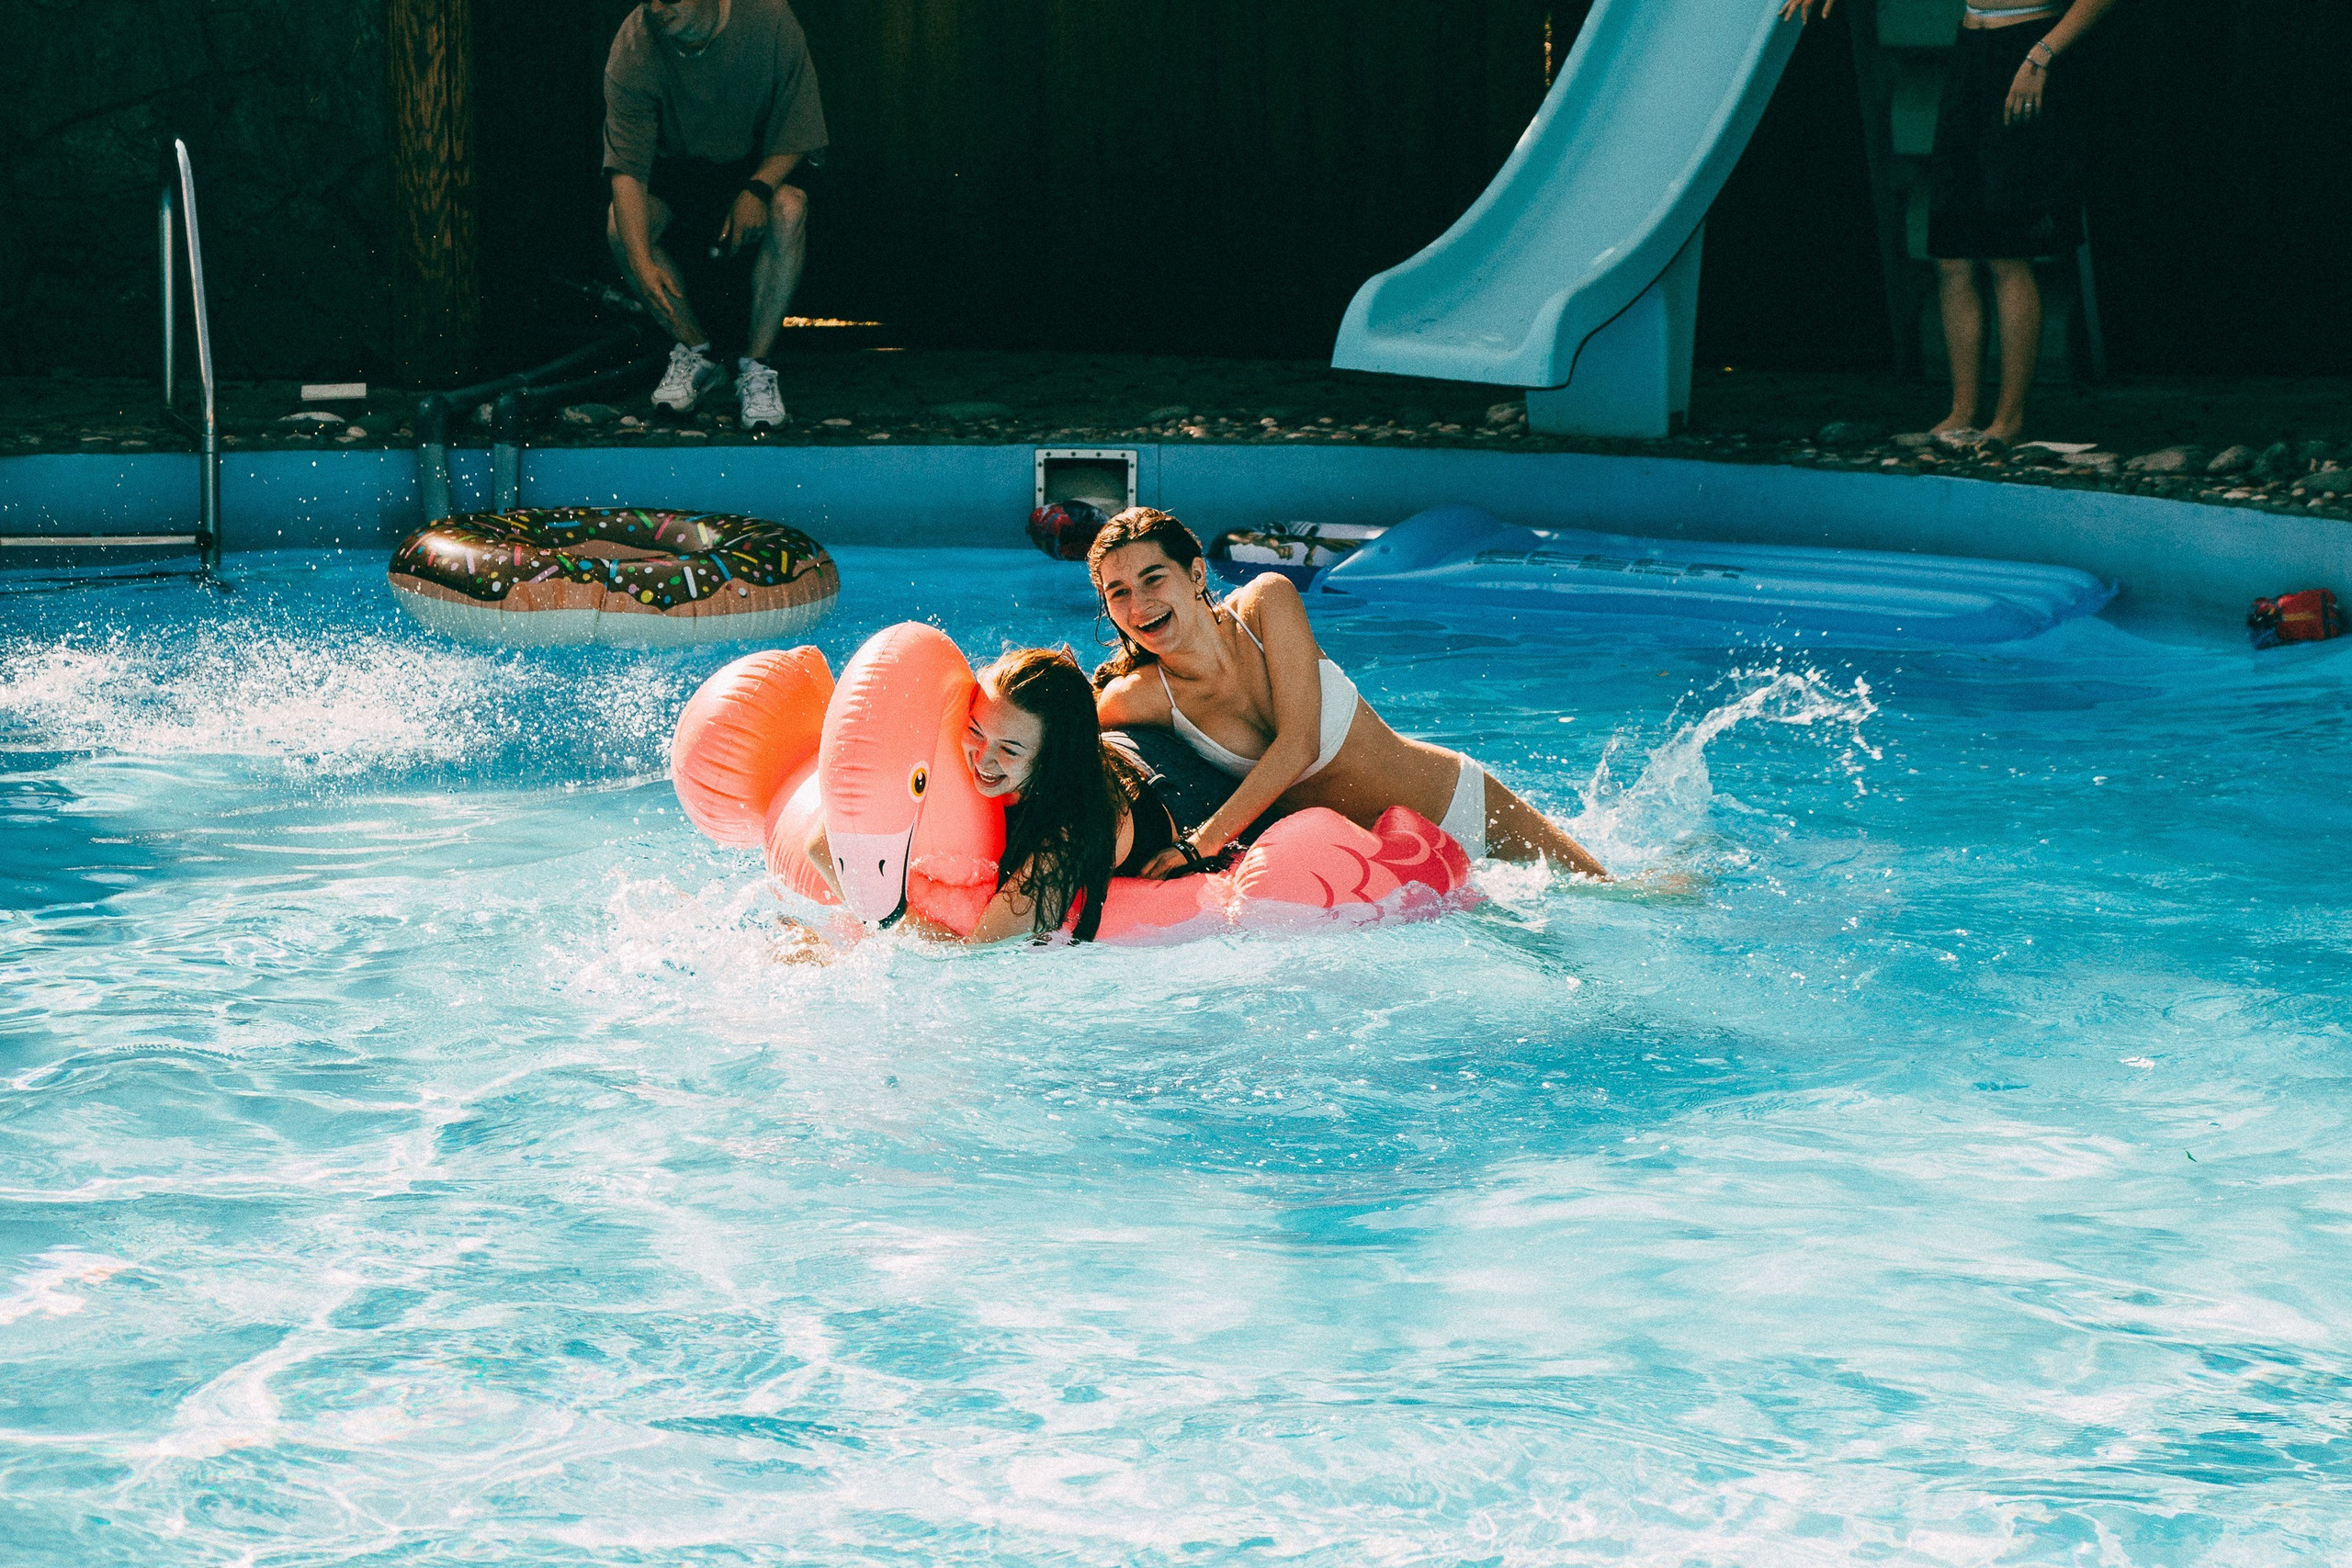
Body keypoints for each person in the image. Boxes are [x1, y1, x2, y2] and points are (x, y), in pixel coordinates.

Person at [1087, 508, 1610, 880]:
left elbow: (1299, 746)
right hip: (1387, 863)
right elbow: (1051, 731)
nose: (1140, 605)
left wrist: (1199, 844)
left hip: (1458, 804)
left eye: (1154, 578)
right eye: (1119, 593)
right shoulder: (1141, 698)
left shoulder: (1266, 603)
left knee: (1614, 903)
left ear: (1196, 572)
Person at [1781, 0, 2118, 447]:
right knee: (1952, 255)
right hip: (1972, 46)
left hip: (2028, 46)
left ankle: (2009, 420)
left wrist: (2043, 54)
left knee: (2007, 252)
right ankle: (1963, 409)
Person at [803, 648, 1198, 944]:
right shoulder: (963, 745)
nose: (983, 759)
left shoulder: (1073, 835)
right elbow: (825, 841)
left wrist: (877, 925)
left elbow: (980, 953)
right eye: (975, 730)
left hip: (1178, 782)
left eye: (1009, 750)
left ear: (1049, 759)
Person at [602, 0, 829, 429]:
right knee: (622, 226)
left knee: (791, 207)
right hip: (679, 171)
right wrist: (639, 262)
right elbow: (626, 168)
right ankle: (697, 354)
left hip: (754, 165)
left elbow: (801, 128)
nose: (657, 7)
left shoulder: (770, 20)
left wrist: (758, 188)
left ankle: (756, 367)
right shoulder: (634, 42)